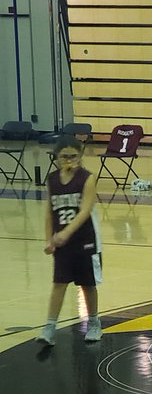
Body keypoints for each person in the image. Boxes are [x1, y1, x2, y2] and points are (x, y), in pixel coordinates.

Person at [36, 137, 103, 346]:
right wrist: (50, 239)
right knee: (59, 283)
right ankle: (49, 327)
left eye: (73, 156)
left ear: (80, 156)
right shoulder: (52, 179)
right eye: (64, 156)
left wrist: (66, 233)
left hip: (85, 239)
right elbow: (49, 211)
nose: (68, 160)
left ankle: (93, 322)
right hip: (62, 242)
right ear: (56, 158)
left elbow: (85, 211)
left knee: (87, 284)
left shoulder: (87, 178)